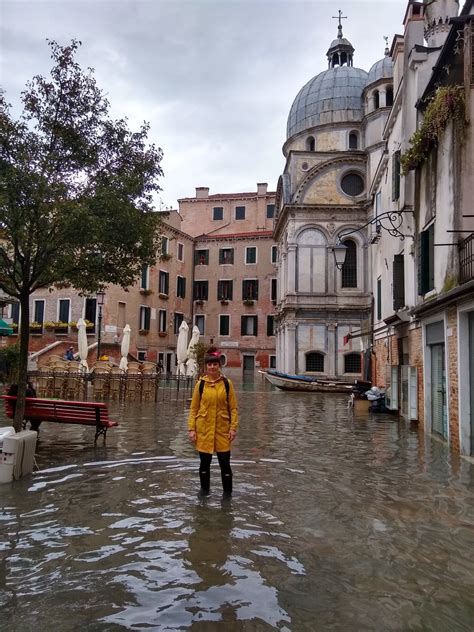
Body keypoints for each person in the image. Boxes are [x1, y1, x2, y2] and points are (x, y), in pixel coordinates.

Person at [187, 347, 238, 496]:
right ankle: (204, 493)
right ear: (206, 367)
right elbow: (193, 409)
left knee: (225, 464)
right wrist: (191, 429)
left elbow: (233, 408)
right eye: (209, 365)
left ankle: (227, 496)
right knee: (204, 464)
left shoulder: (227, 384)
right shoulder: (200, 385)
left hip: (223, 430)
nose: (212, 367)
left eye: (215, 364)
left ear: (219, 366)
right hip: (204, 430)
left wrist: (233, 428)